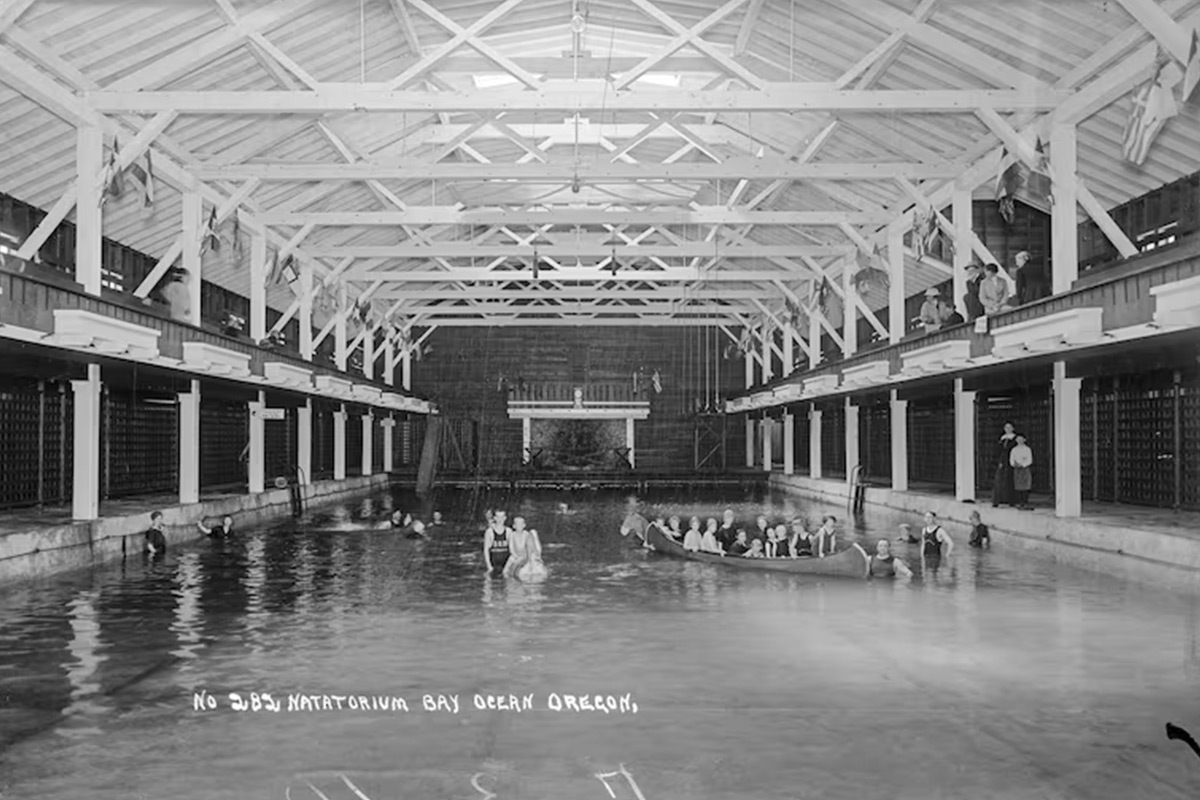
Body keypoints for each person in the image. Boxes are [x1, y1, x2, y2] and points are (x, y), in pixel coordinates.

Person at [504, 516, 546, 580]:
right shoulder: (512, 535)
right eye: (517, 524)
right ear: (514, 526)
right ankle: (506, 578)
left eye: (521, 524)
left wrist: (527, 557)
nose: (519, 526)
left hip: (525, 555)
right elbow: (511, 548)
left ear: (524, 525)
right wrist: (516, 557)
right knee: (505, 570)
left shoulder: (527, 534)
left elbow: (530, 547)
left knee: (533, 558)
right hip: (515, 555)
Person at [992, 421, 1018, 507]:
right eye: (1006, 427)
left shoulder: (1015, 438)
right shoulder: (1002, 438)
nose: (1008, 429)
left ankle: (1011, 500)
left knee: (1010, 480)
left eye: (1010, 427)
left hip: (1011, 460)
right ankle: (998, 500)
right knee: (999, 480)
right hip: (1002, 461)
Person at [483, 510, 512, 574]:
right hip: (493, 564)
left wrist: (509, 566)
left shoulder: (509, 531)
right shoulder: (489, 532)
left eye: (502, 517)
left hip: (506, 565)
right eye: (498, 517)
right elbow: (486, 550)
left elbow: (512, 550)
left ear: (505, 518)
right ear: (494, 518)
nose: (500, 519)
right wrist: (489, 566)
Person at [1010, 433, 1034, 510]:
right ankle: (1020, 502)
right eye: (1018, 439)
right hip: (1017, 469)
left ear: (1024, 440)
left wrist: (1023, 465)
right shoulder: (1014, 450)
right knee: (1018, 486)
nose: (1019, 441)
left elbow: (1030, 460)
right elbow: (1011, 460)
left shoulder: (1027, 449)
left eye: (1021, 439)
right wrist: (1014, 464)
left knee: (1026, 486)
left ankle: (1025, 502)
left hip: (1025, 468)